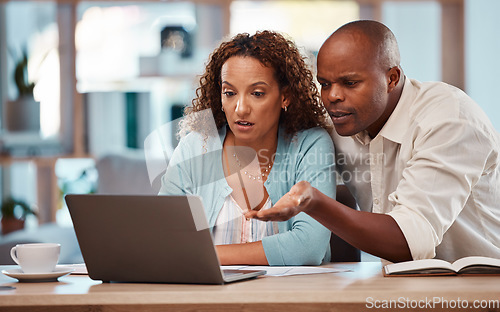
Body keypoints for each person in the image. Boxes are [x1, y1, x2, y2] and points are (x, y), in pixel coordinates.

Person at [247, 20, 500, 263]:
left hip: (483, 284)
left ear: (391, 78)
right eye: (324, 83)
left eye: (350, 83)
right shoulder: (338, 120)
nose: (332, 96)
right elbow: (258, 121)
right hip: (401, 285)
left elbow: (409, 242)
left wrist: (314, 202)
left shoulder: (448, 119)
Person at [159, 31, 336, 266]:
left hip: (291, 298)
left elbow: (308, 247)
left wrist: (201, 254)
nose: (241, 109)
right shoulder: (195, 146)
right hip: (206, 298)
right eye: (229, 93)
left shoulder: (309, 145)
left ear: (285, 96)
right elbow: (162, 239)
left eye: (257, 93)